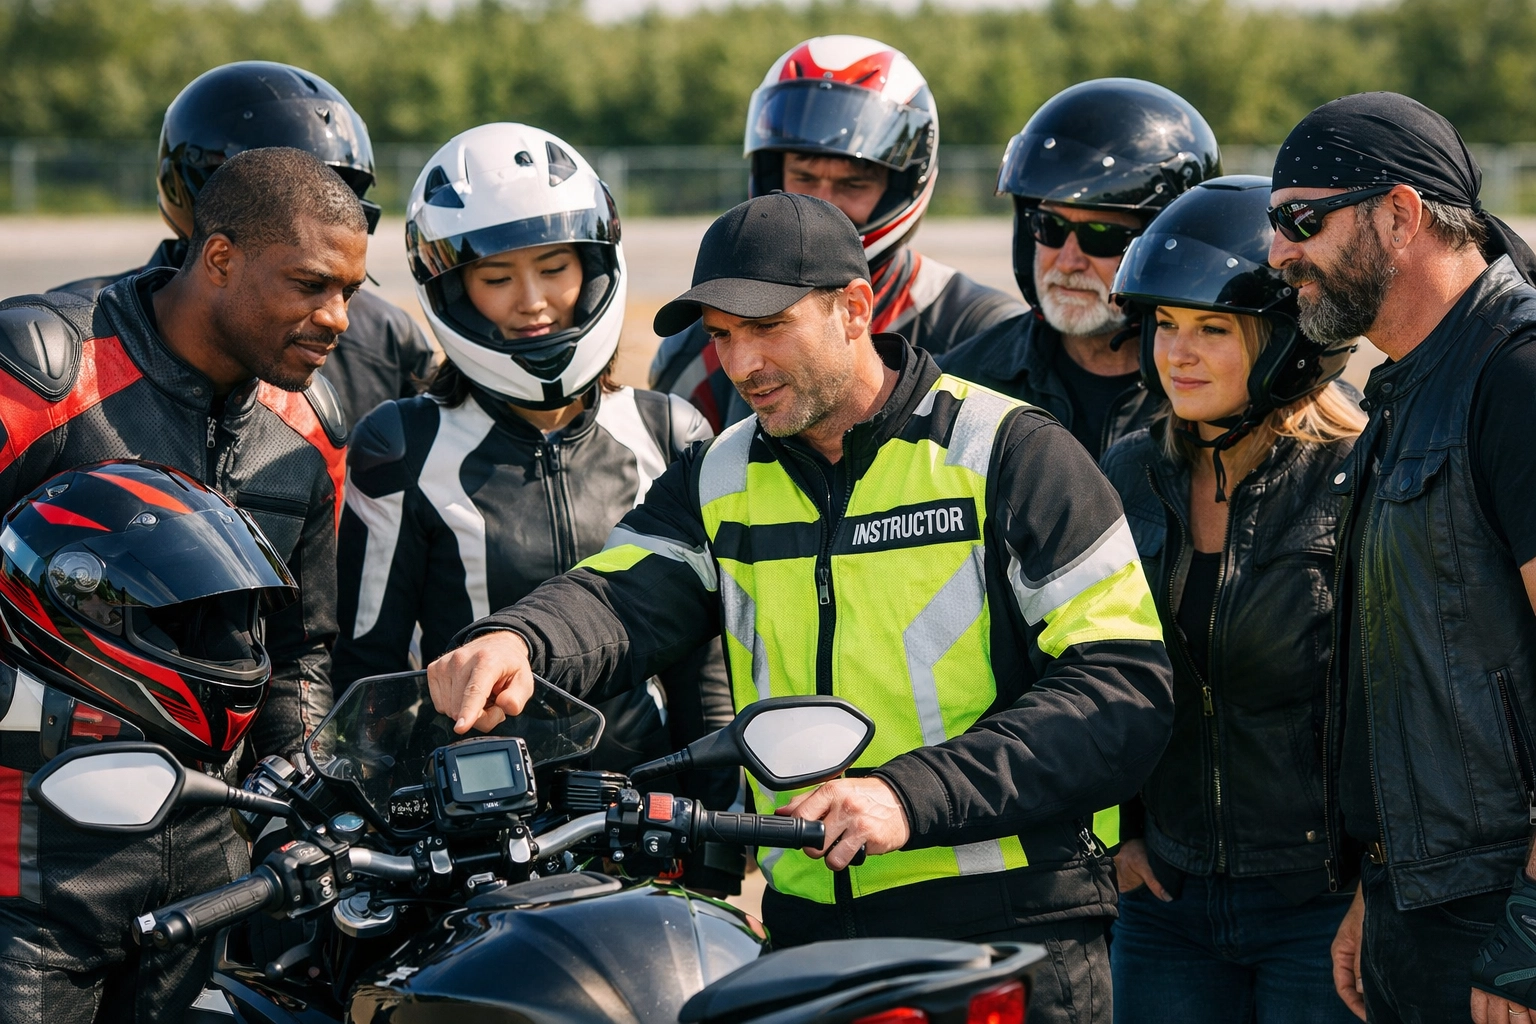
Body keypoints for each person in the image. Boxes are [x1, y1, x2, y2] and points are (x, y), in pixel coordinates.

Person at [426, 191, 1175, 1024]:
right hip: (807, 933)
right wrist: (518, 640)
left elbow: (1123, 689)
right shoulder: (720, 472)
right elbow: (618, 590)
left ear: (854, 309)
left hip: (1005, 934)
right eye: (720, 336)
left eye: (768, 325)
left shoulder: (1010, 451)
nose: (741, 363)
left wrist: (908, 794)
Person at [0, 146, 366, 1023]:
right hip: (27, 865)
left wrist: (303, 795)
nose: (340, 319)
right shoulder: (43, 365)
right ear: (221, 258)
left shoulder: (313, 427)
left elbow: (302, 650)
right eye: (312, 285)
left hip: (211, 876)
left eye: (351, 291)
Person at [334, 123, 739, 889]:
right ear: (451, 289)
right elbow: (368, 669)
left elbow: (702, 667)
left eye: (554, 267)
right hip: (474, 841)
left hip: (645, 827)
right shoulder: (403, 444)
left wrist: (714, 839)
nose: (533, 303)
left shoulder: (671, 430)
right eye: (496, 278)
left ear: (593, 266)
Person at [1263, 92, 1536, 1024]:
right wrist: (1374, 889)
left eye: (1302, 219)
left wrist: (1531, 932)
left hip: (1502, 912)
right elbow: (1411, 678)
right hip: (1420, 906)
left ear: (1402, 214)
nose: (1277, 253)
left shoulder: (1517, 375)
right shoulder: (1404, 387)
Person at [1097, 176, 1363, 1023]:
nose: (1177, 353)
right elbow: (1085, 670)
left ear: (1287, 343)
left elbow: (1407, 697)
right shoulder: (1127, 473)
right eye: (1165, 325)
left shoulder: (1360, 476)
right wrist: (1120, 835)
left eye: (1213, 328)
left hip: (1323, 905)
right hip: (1165, 901)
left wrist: (1377, 883)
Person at [650, 35, 1024, 432]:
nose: (822, 203)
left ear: (900, 190)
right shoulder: (701, 347)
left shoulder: (984, 331)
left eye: (853, 185)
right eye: (804, 177)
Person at [54, 60, 435, 430]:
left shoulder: (386, 339)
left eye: (337, 195)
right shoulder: (61, 346)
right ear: (220, 255)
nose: (336, 318)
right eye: (286, 189)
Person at [939, 79, 1221, 460]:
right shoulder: (960, 386)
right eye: (1049, 228)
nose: (1068, 261)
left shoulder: (1220, 389)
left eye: (1101, 234)